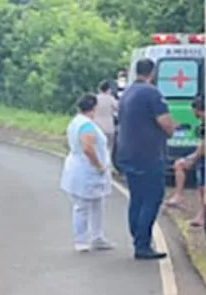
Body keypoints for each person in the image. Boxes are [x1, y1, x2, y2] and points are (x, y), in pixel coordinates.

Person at [115, 58, 177, 260]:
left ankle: (137, 238)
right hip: (148, 155)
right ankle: (142, 244)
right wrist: (172, 129)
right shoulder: (152, 93)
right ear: (153, 73)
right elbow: (165, 124)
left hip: (128, 153)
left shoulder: (128, 93)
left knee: (137, 198)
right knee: (152, 197)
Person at [59, 93, 115, 252]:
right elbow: (88, 148)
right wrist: (98, 166)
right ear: (95, 107)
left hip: (82, 168)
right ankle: (81, 240)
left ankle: (97, 237)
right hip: (87, 170)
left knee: (97, 203)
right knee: (82, 206)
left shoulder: (77, 122)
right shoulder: (86, 126)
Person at [165, 95, 206, 227]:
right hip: (201, 154)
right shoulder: (204, 121)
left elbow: (204, 145)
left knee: (202, 187)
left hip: (205, 157)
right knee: (179, 164)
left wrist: (193, 159)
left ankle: (202, 215)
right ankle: (179, 195)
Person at [95, 79, 118, 155]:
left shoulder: (95, 99)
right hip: (109, 128)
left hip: (96, 127)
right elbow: (119, 108)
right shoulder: (110, 99)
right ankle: (107, 164)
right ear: (109, 89)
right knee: (108, 148)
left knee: (97, 148)